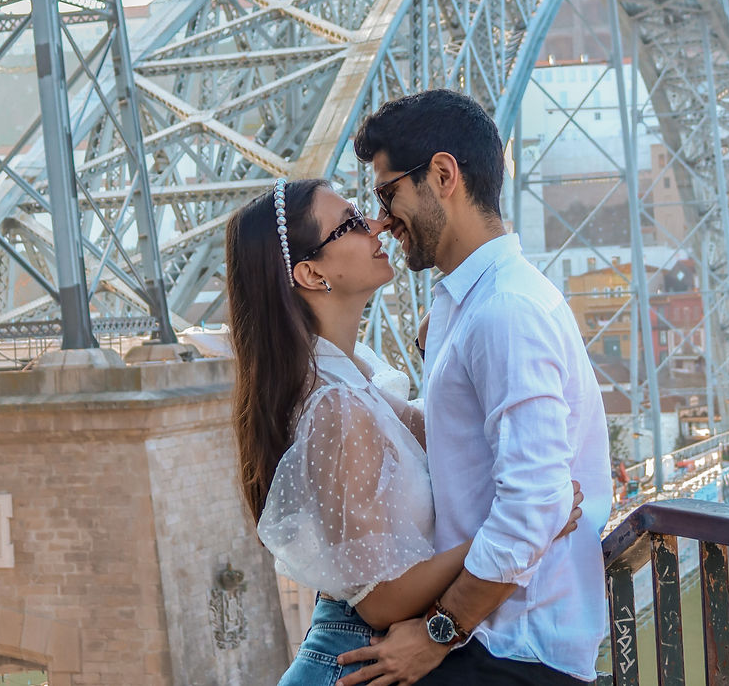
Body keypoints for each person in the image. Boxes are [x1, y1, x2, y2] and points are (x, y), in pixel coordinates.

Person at [226, 178, 582, 686]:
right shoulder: (335, 407)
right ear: (310, 272)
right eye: (350, 223)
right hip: (356, 662)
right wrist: (520, 534)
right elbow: (381, 599)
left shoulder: (349, 378)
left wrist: (441, 349)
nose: (377, 225)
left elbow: (441, 439)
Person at [338, 89, 612, 685]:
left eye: (387, 193)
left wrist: (437, 635)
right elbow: (464, 452)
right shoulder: (475, 307)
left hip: (511, 652)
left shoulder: (504, 311)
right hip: (495, 644)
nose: (381, 219)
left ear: (442, 175)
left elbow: (535, 504)